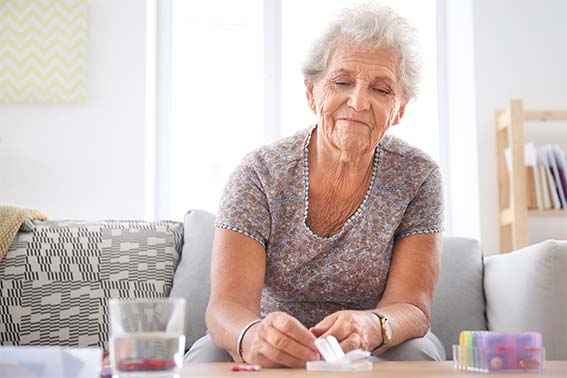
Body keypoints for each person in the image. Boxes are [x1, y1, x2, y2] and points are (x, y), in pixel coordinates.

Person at [185, 2, 445, 367]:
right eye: (341, 82)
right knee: (205, 356)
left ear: (400, 109)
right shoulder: (260, 173)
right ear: (312, 92)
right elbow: (227, 307)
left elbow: (413, 308)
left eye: (381, 90)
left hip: (371, 342)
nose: (357, 102)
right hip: (270, 335)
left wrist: (373, 325)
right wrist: (252, 336)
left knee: (419, 352)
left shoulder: (418, 176)